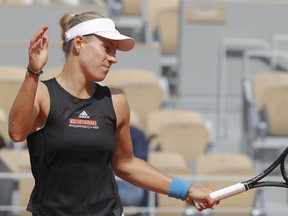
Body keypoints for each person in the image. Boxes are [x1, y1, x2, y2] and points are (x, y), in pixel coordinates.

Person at [8, 11, 218, 216]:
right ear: (79, 44)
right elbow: (17, 133)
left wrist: (187, 190)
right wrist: (32, 72)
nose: (113, 59)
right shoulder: (43, 93)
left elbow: (126, 164)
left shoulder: (116, 101)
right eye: (107, 48)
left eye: (115, 51)